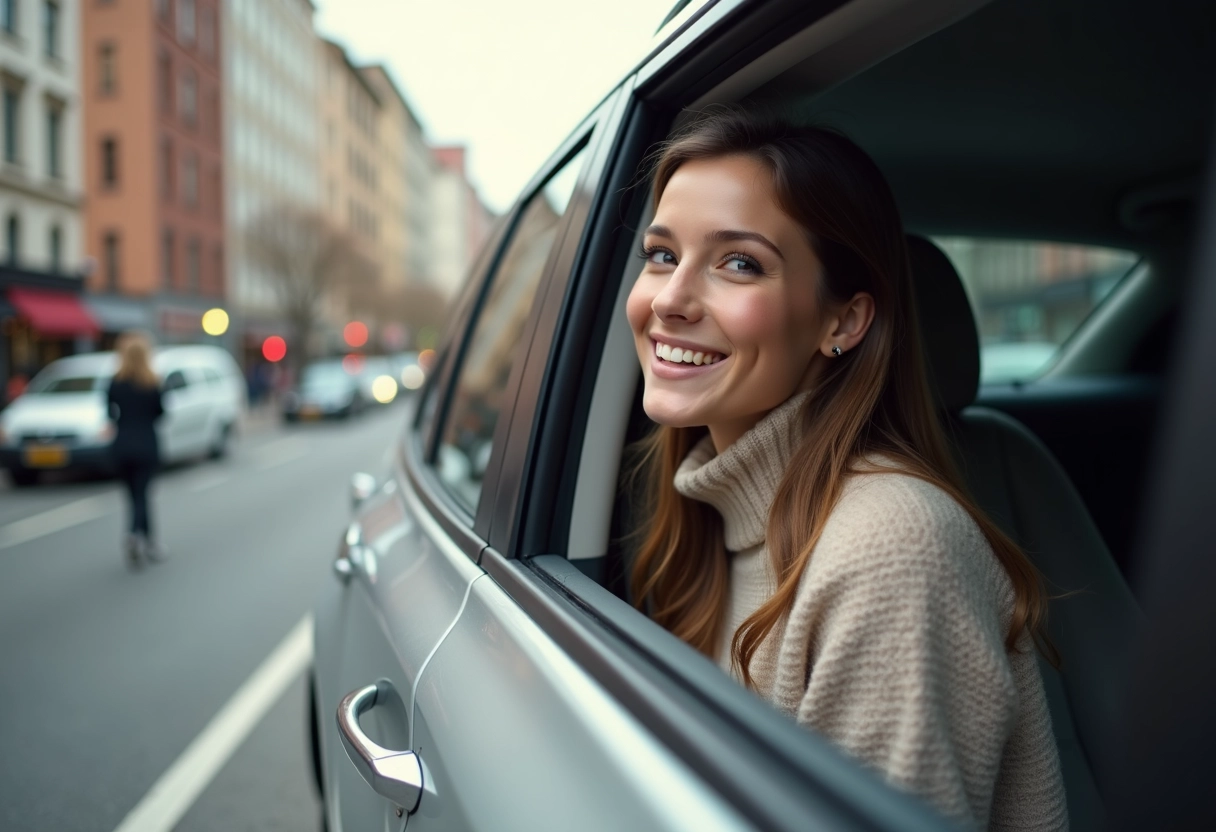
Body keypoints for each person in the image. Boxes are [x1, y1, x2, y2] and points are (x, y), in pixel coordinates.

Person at [625, 109, 1066, 831]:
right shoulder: (708, 512)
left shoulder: (889, 547)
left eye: (739, 263)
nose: (670, 300)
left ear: (844, 322)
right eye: (662, 254)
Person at [107, 333, 166, 568]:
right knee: (143, 496)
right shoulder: (152, 382)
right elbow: (161, 413)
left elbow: (108, 412)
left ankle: (147, 541)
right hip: (146, 445)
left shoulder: (115, 382)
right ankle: (135, 536)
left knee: (134, 497)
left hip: (121, 446)